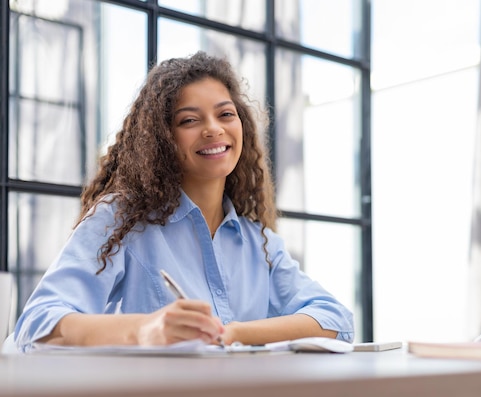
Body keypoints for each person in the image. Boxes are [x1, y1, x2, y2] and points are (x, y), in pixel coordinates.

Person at [11, 51, 354, 353]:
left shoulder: (256, 240)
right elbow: (38, 321)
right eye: (189, 120)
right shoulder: (122, 219)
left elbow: (335, 319)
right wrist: (145, 330)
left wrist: (233, 334)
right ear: (162, 139)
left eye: (225, 114)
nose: (213, 129)